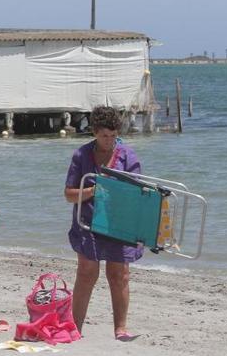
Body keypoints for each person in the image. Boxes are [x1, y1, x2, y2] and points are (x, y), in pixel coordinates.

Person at [63, 106, 142, 341]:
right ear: (94, 133)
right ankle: (75, 327)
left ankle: (120, 328)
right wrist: (94, 191)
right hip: (87, 222)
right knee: (87, 273)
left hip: (120, 224)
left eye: (113, 135)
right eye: (104, 136)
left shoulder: (128, 156)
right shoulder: (81, 155)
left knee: (119, 275)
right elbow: (68, 194)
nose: (109, 141)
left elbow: (138, 194)